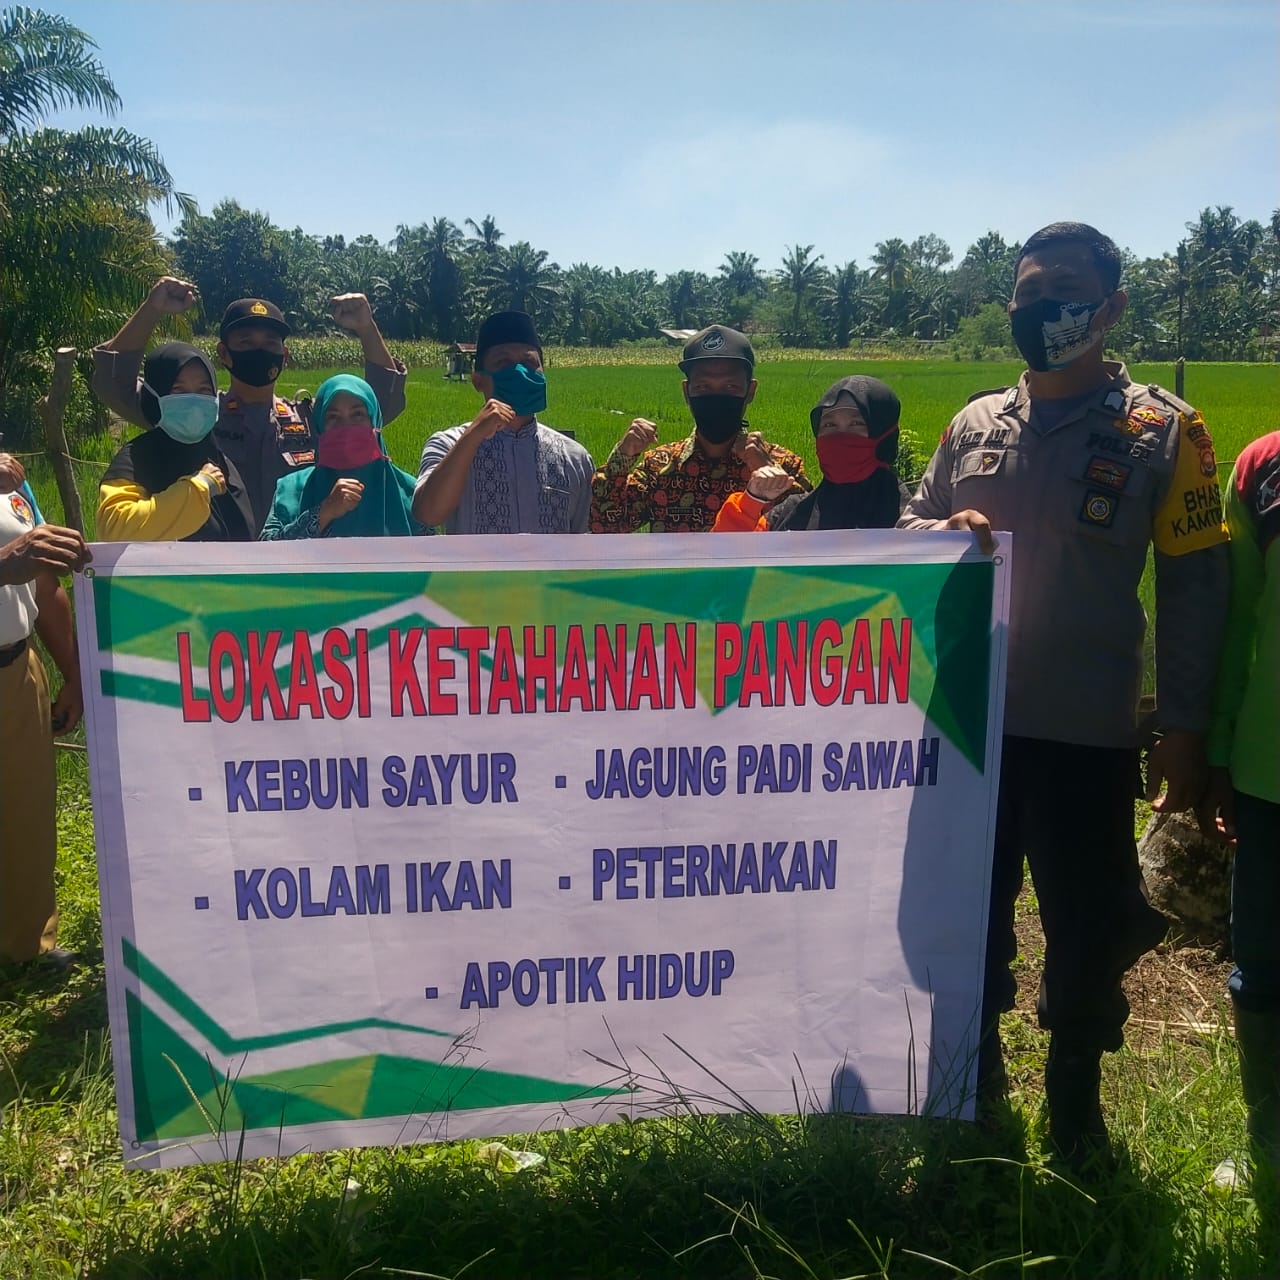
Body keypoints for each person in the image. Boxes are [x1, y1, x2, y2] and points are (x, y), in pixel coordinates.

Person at [898, 221, 1230, 1168]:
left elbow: (1196, 584)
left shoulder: (1166, 431)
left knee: (1088, 921)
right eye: (1028, 292)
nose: (1044, 308)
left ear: (1112, 306)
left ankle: (1077, 1100)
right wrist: (937, 527)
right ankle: (979, 1087)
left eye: (1067, 289)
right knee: (968, 913)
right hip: (969, 725)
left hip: (1086, 730)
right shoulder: (973, 425)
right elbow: (910, 520)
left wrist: (1184, 723)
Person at [93, 278, 407, 536]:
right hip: (218, 576)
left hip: (296, 570)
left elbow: (380, 404)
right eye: (245, 342)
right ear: (224, 354)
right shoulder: (195, 413)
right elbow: (115, 387)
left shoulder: (309, 419)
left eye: (270, 343)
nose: (259, 351)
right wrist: (151, 310)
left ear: (285, 356)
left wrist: (367, 329)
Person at [1205, 429, 1279, 1194]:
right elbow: (1239, 620)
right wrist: (1218, 746)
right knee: (1261, 962)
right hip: (1270, 761)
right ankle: (1270, 1136)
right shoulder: (1264, 465)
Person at [0, 452, 91, 969]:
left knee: (26, 813)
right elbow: (16, 562)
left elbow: (43, 582)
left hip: (15, 666)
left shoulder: (10, 476)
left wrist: (73, 672)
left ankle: (27, 946)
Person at [590, 325, 809, 533]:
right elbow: (605, 525)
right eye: (703, 387)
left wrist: (767, 469)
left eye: (729, 387)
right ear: (687, 392)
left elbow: (811, 530)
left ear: (750, 390)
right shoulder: (660, 468)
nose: (716, 398)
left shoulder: (784, 465)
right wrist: (623, 456)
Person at [412, 311, 593, 533]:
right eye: (504, 362)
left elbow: (587, 543)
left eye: (529, 362)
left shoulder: (574, 458)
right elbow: (428, 514)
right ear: (478, 381)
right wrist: (474, 435)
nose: (519, 371)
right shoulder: (448, 444)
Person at [97, 342, 254, 542]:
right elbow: (115, 528)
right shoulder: (137, 459)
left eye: (204, 391)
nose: (193, 401)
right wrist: (198, 488)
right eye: (178, 391)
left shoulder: (221, 461)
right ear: (154, 397)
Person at [713, 375, 908, 531]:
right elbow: (723, 563)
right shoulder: (790, 515)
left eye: (856, 424)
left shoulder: (913, 520)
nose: (840, 437)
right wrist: (752, 500)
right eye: (829, 425)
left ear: (885, 435)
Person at [260, 374, 428, 540]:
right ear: (319, 428)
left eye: (357, 415)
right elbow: (265, 555)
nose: (346, 426)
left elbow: (434, 556)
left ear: (374, 423)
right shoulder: (291, 488)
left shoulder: (410, 493)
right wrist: (323, 512)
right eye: (333, 417)